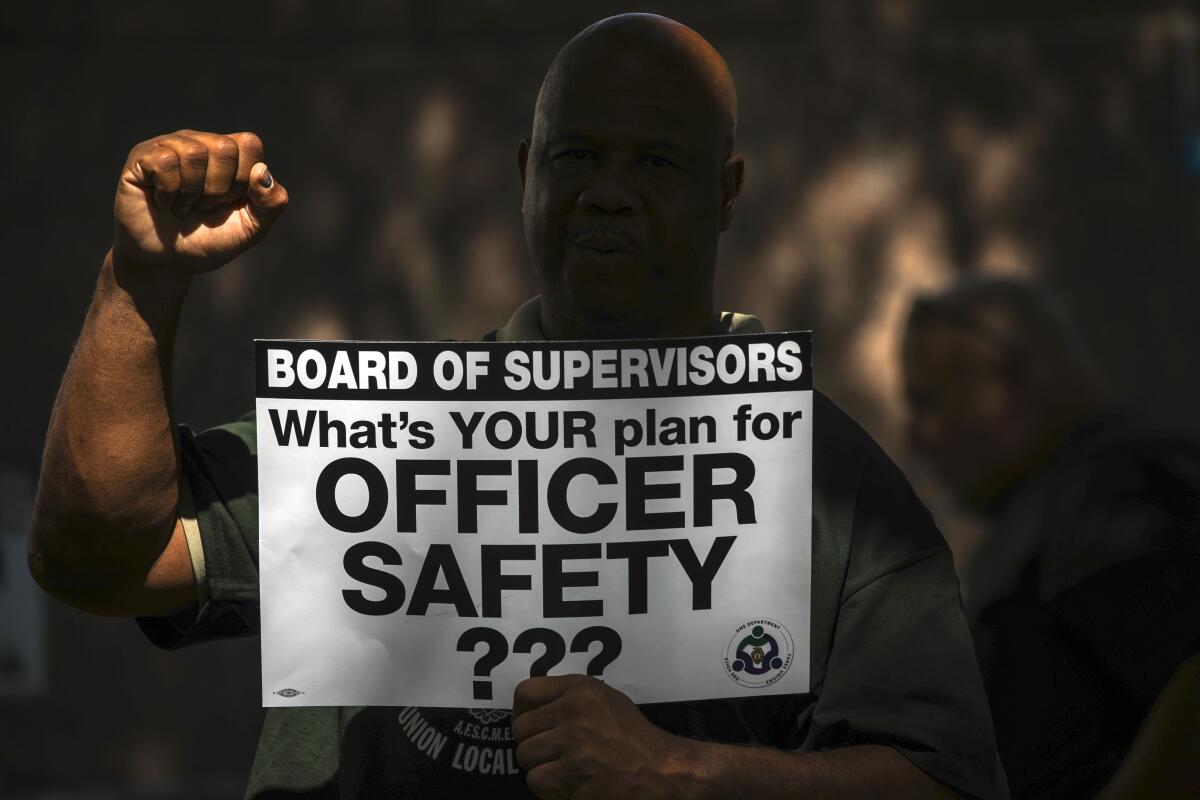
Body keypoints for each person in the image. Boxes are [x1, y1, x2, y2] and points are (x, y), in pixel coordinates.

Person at [31, 14, 1007, 799]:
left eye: (656, 163)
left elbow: (947, 777)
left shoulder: (819, 478)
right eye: (576, 155)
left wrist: (684, 773)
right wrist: (141, 281)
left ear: (726, 191)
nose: (609, 194)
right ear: (525, 175)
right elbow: (101, 555)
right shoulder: (388, 438)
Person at [902, 275, 1200, 799]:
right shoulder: (1084, 491)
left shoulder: (1105, 487)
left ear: (1006, 381)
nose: (915, 437)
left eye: (928, 402)